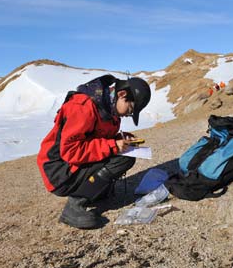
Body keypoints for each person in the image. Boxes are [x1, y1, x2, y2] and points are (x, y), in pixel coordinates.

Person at [37, 74, 151, 229]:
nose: (126, 115)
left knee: (126, 157)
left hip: (71, 166)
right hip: (58, 171)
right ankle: (74, 206)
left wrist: (120, 139)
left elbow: (95, 137)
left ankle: (95, 191)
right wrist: (113, 146)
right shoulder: (83, 107)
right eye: (130, 109)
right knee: (120, 159)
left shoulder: (110, 110)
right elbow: (71, 151)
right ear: (122, 94)